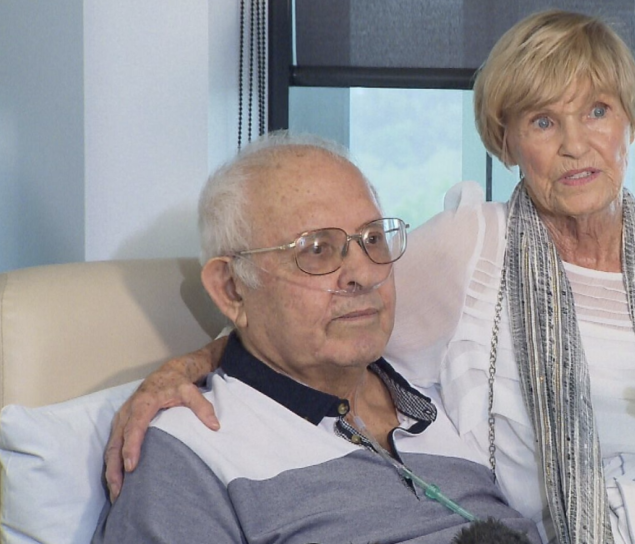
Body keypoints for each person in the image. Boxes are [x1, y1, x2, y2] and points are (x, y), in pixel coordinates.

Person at [105, 10, 635, 544]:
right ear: (507, 139)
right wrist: (193, 363)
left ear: (630, 123)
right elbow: (319, 317)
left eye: (597, 111)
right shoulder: (467, 249)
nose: (576, 143)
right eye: (543, 122)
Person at [92, 134, 540, 543]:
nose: (363, 274)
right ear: (232, 289)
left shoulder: (446, 393)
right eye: (316, 249)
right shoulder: (188, 456)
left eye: (372, 238)